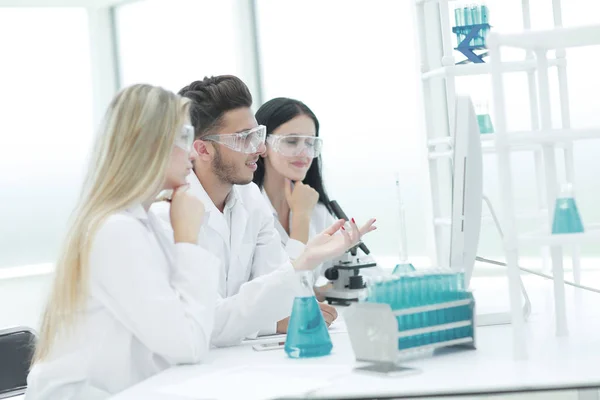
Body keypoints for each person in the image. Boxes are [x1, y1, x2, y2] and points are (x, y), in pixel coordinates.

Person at [26, 84, 220, 400]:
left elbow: (192, 324)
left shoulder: (139, 223)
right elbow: (188, 345)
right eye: (185, 137)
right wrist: (187, 239)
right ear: (151, 144)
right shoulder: (116, 230)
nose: (193, 150)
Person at [153, 75, 376, 344]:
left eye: (257, 134)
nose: (260, 148)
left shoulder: (249, 198)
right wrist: (277, 313)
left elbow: (280, 293)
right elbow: (207, 321)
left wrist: (279, 308)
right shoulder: (168, 214)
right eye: (244, 138)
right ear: (202, 149)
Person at [252, 97, 339, 297]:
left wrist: (323, 291)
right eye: (291, 141)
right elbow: (281, 290)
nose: (304, 153)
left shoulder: (317, 210)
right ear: (262, 146)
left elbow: (362, 270)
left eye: (310, 143)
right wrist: (300, 217)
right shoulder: (248, 210)